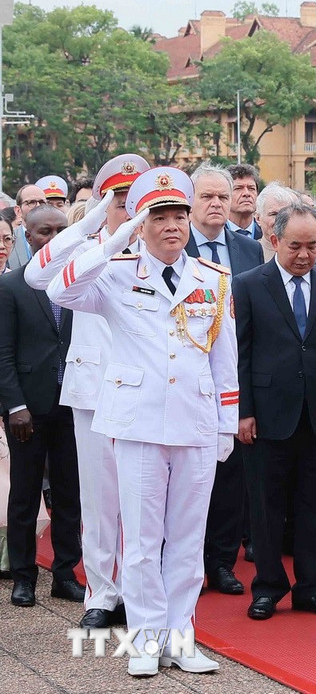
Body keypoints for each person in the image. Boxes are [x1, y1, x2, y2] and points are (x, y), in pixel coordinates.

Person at [47, 167, 237, 677]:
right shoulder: (113, 274)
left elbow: (224, 360)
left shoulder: (213, 280)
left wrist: (226, 424)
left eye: (179, 215)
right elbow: (58, 288)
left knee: (187, 539)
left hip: (195, 423)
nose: (172, 225)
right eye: (160, 216)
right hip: (136, 424)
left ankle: (181, 635)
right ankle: (147, 639)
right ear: (140, 223)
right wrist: (112, 242)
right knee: (142, 538)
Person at [24, 153, 151, 628]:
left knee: (143, 502)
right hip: (95, 389)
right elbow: (38, 276)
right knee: (99, 501)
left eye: (135, 198)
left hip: (146, 392)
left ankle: (139, 595)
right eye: (119, 199)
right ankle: (102, 594)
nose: (129, 207)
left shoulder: (159, 249)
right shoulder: (88, 247)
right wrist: (93, 222)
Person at [236, 201, 316, 621]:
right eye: (295, 246)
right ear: (275, 241)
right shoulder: (249, 285)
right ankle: (268, 587)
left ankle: (312, 587)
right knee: (266, 508)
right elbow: (241, 353)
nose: (305, 255)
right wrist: (243, 412)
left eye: (312, 246)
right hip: (268, 415)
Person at [185, 162, 263, 597]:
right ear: (192, 201)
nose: (216, 204)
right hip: (190, 376)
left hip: (235, 378)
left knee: (232, 476)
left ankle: (221, 561)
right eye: (207, 197)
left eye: (222, 196)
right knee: (192, 481)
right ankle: (188, 563)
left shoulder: (248, 249)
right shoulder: (176, 248)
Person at [0, 206, 82, 609]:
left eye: (60, 231)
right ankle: (24, 578)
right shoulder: (11, 286)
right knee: (25, 495)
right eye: (44, 232)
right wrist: (14, 405)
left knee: (71, 493)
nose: (52, 238)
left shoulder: (83, 280)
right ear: (27, 237)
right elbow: (3, 353)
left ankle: (66, 574)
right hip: (28, 409)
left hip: (74, 405)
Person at [255, 182, 299, 263]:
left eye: (284, 213)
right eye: (273, 214)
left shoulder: (314, 251)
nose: (280, 219)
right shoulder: (248, 252)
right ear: (258, 218)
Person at [6, 185, 47, 270]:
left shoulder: (56, 238)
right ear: (18, 210)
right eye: (31, 202)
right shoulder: (7, 240)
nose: (38, 206)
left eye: (42, 202)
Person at [227, 163, 262, 239]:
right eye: (238, 188)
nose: (246, 193)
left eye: (251, 188)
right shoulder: (215, 233)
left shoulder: (266, 233)